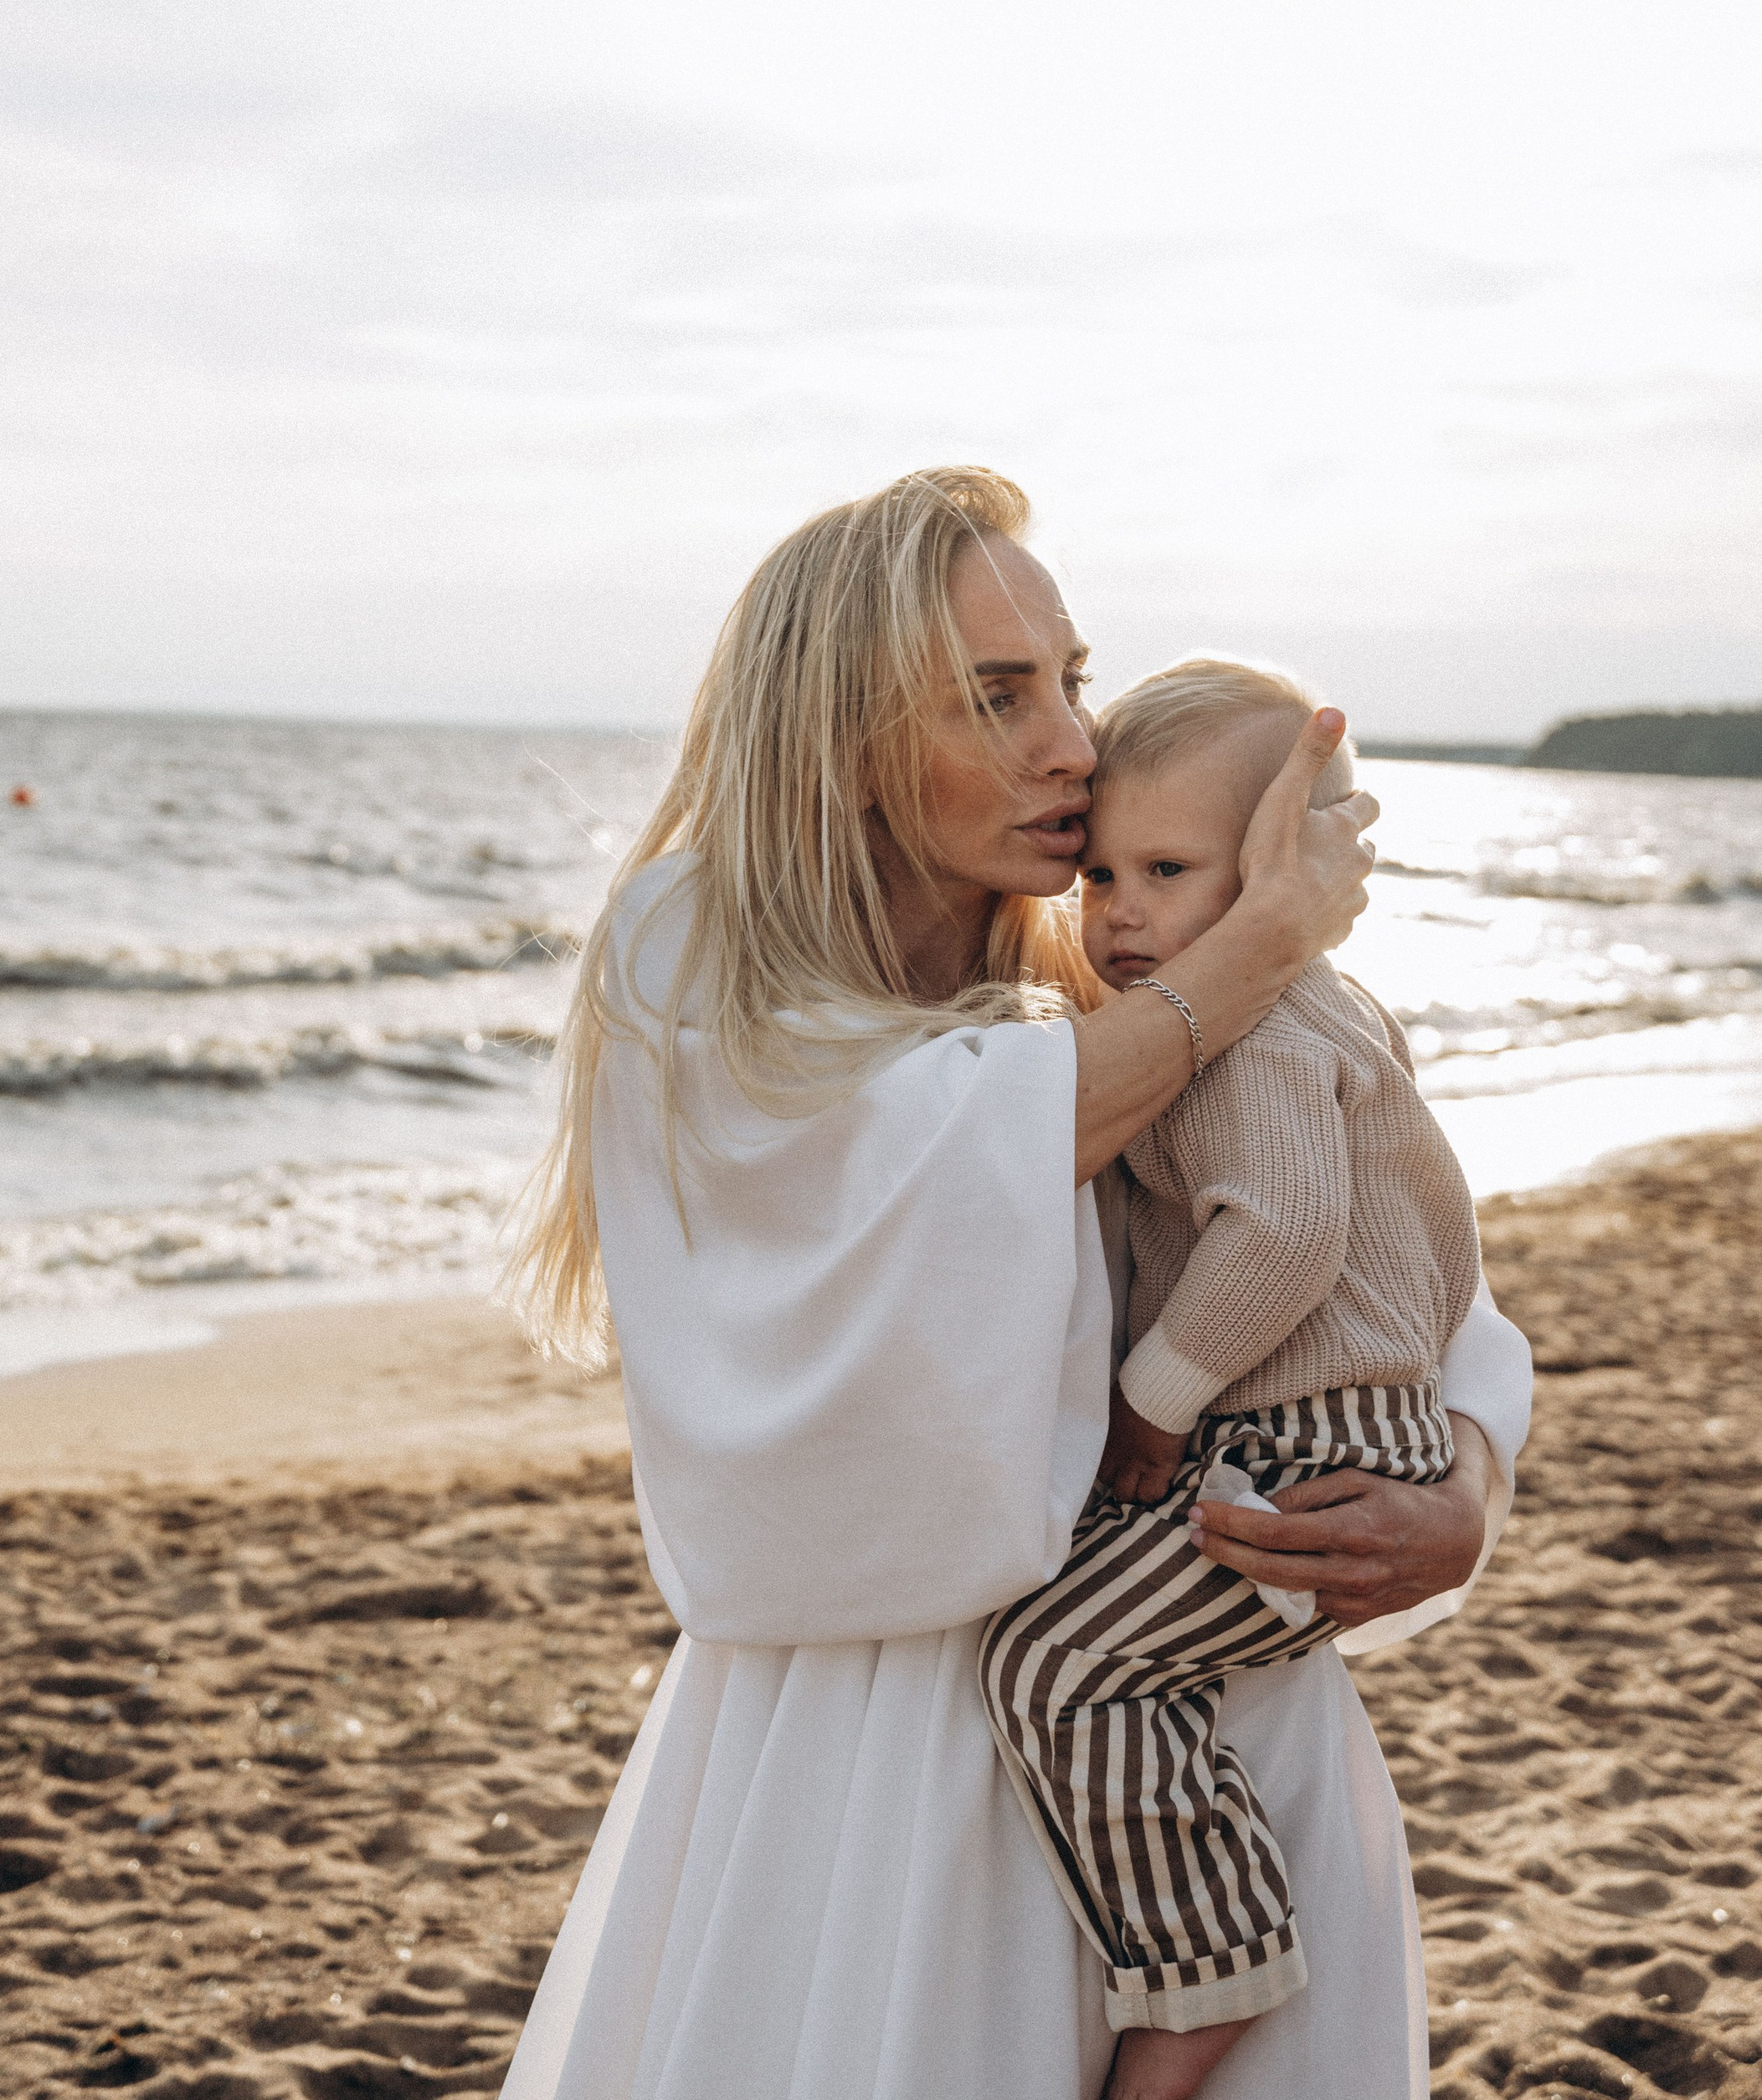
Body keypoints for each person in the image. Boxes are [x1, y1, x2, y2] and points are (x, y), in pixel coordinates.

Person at [502, 469, 1532, 2100]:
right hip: (860, 1752)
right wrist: (1260, 938)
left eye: (1071, 678)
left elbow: (1393, 1263)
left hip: (1186, 1733)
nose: (1071, 741)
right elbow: (928, 1151)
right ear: (840, 737)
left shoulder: (1113, 967)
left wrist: (1463, 1486)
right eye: (995, 696)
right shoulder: (690, 949)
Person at [977, 655, 1487, 2097]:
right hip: (1340, 1417)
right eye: (1102, 876)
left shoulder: (1253, 1036)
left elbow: (1284, 1232)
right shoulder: (1333, 1007)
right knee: (1091, 1636)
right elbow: (1436, 1230)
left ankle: (1211, 1964)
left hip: (1297, 1441)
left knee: (1062, 1662)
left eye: (1169, 871)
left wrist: (1148, 1405)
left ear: (1282, 872)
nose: (1121, 914)